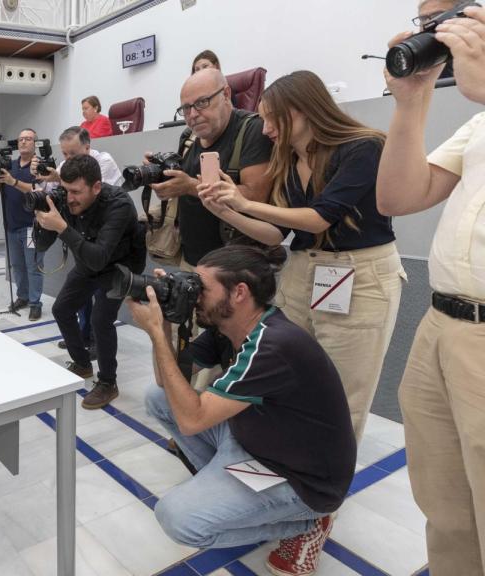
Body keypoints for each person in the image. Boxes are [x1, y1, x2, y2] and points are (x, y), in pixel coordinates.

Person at [197, 70, 402, 442]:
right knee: (286, 370)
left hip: (359, 275)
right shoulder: (289, 162)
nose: (265, 130)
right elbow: (278, 234)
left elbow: (321, 216)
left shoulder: (363, 148)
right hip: (303, 271)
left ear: (302, 110)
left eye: (271, 118)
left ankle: (326, 486)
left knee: (344, 388)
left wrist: (245, 201)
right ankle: (292, 459)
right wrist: (226, 210)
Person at [134, 245, 355, 576]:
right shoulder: (228, 330)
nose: (194, 296)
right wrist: (163, 326)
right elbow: (167, 383)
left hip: (301, 479)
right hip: (253, 441)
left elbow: (192, 421)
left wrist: (154, 332)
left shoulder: (274, 345)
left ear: (239, 293)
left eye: (201, 288)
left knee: (178, 519)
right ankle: (232, 495)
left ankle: (304, 525)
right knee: (158, 396)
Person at [376, 5, 485, 573]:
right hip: (441, 326)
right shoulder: (477, 124)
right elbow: (399, 197)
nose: (438, 33)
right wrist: (410, 99)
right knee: (446, 514)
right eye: (427, 25)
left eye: (449, 15)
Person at [34, 154, 146, 409]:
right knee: (61, 309)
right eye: (65, 190)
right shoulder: (65, 200)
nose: (69, 198)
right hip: (89, 261)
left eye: (76, 191)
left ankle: (108, 382)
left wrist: (62, 227)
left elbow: (99, 257)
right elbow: (42, 245)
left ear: (96, 187)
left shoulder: (118, 203)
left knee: (100, 319)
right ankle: (83, 364)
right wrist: (41, 219)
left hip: (120, 266)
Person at [150, 68, 273, 270]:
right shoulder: (189, 137)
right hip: (190, 260)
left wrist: (190, 186)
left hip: (234, 268)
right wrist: (163, 176)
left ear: (226, 94)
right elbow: (180, 184)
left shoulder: (253, 130)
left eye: (201, 103)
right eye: (186, 108)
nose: (192, 115)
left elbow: (256, 197)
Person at [40, 126, 123, 359]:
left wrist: (60, 179)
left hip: (105, 236)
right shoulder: (66, 165)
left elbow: (95, 193)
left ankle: (98, 342)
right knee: (77, 298)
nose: (67, 160)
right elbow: (54, 194)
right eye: (64, 154)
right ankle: (82, 337)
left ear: (87, 147)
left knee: (101, 303)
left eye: (73, 154)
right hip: (81, 233)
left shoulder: (103, 161)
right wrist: (48, 181)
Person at [0, 128, 45, 320]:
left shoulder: (39, 165)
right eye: (21, 139)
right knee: (17, 266)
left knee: (33, 265)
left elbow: (37, 189)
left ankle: (35, 303)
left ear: (35, 143)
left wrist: (12, 181)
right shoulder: (8, 165)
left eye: (28, 139)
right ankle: (23, 297)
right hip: (11, 227)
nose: (24, 142)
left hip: (31, 227)